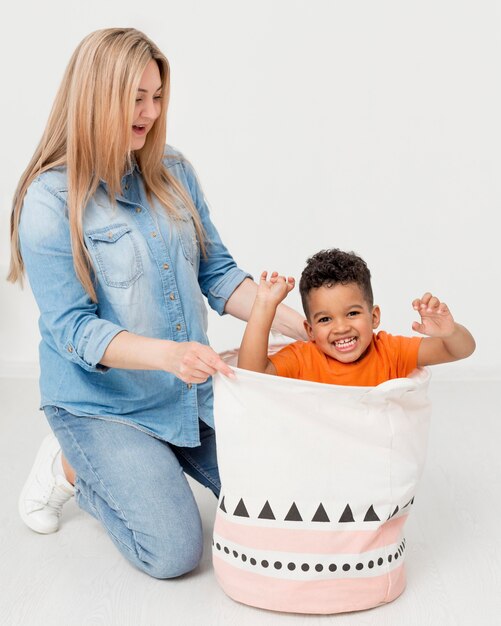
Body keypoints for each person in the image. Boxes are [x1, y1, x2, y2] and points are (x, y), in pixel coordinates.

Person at [8, 28, 306, 579]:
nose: (149, 112)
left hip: (189, 392)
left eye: (158, 96)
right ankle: (71, 467)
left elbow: (218, 274)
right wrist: (168, 355)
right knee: (174, 554)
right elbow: (73, 329)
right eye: (136, 98)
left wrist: (300, 326)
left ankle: (147, 466)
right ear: (97, 95)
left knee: (283, 502)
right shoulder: (48, 201)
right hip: (102, 405)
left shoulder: (174, 171)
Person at [238, 248, 475, 383]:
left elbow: (460, 350)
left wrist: (449, 332)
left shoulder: (390, 352)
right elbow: (251, 376)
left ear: (374, 317)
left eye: (352, 313)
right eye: (325, 319)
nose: (341, 327)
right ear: (309, 330)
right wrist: (264, 305)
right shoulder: (303, 359)